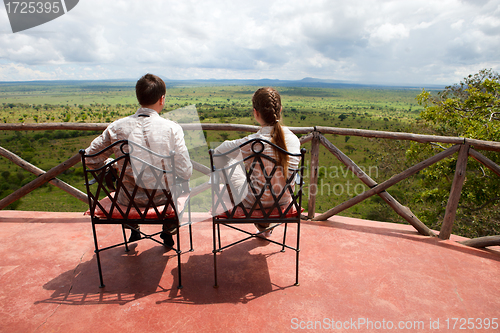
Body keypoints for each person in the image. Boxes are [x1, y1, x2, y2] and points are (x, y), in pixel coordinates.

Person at [85, 73, 192, 248]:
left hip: (126, 201)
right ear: (162, 99)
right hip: (163, 201)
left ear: (138, 98)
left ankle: (132, 225)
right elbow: (185, 171)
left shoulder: (116, 127)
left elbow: (90, 158)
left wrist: (110, 164)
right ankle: (168, 227)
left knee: (116, 171)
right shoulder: (172, 128)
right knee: (183, 184)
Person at [213, 87, 301, 237]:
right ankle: (264, 227)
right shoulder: (293, 139)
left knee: (226, 159)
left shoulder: (255, 142)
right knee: (268, 178)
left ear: (256, 112)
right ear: (281, 110)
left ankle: (225, 193)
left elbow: (219, 151)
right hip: (284, 199)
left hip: (253, 201)